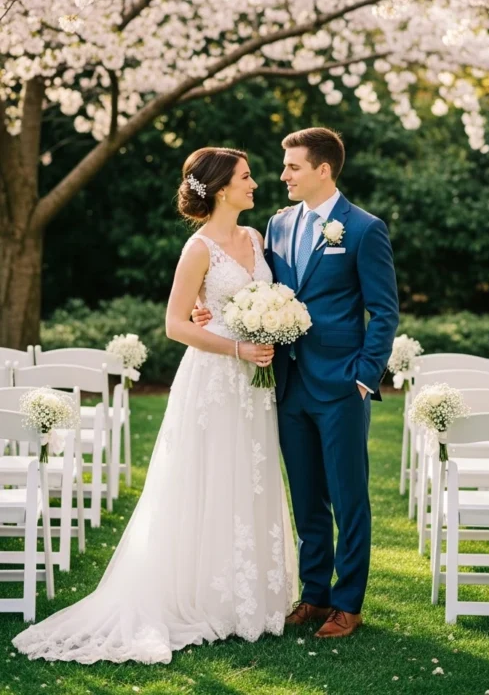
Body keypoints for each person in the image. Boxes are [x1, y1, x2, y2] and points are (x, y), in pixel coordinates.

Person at [13, 147, 297, 664]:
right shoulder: (198, 248)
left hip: (253, 382)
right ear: (221, 188)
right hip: (214, 378)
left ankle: (248, 598)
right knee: (208, 477)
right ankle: (202, 597)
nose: (255, 183)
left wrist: (270, 323)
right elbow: (175, 325)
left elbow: (259, 299)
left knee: (249, 475)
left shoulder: (256, 239)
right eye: (246, 176)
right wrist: (236, 345)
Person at [194, 128, 399, 638]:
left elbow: (385, 311)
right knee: (306, 497)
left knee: (349, 498)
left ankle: (347, 603)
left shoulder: (364, 229)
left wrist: (363, 377)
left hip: (341, 385)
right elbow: (255, 290)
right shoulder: (277, 225)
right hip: (284, 382)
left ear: (322, 170)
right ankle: (314, 595)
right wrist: (209, 312)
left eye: (292, 167)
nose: (281, 175)